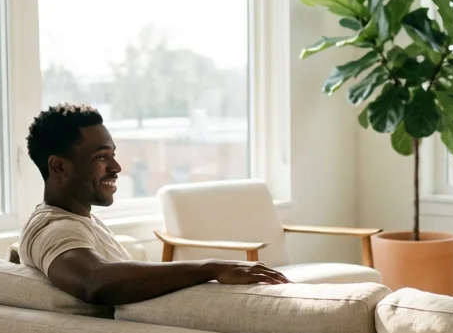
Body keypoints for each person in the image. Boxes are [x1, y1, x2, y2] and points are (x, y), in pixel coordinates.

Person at [19, 103, 289, 305]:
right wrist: (212, 268)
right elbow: (94, 281)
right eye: (101, 157)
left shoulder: (74, 220)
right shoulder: (56, 231)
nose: (116, 167)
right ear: (58, 166)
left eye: (113, 155)